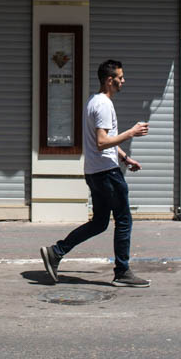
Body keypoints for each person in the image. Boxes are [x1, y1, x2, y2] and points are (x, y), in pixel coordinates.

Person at [40, 59, 151, 287]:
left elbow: (104, 140)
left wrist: (124, 157)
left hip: (96, 171)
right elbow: (101, 142)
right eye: (120, 77)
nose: (123, 81)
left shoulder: (94, 101)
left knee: (100, 222)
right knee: (123, 220)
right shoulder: (103, 105)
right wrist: (131, 132)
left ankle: (56, 252)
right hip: (106, 173)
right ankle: (122, 271)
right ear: (109, 81)